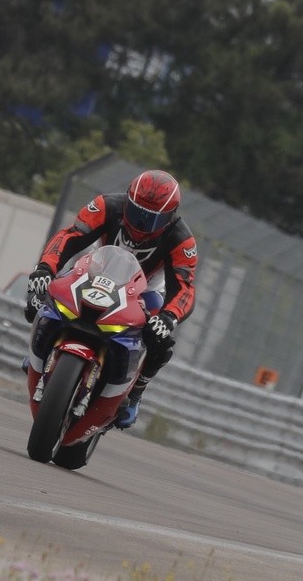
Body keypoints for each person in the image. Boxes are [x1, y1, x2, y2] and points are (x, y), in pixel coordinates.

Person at [23, 170, 198, 429]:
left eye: (152, 219)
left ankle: (135, 393)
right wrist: (44, 269)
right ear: (127, 200)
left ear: (170, 216)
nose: (141, 224)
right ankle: (41, 352)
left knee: (159, 340)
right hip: (95, 270)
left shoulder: (182, 240)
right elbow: (69, 236)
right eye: (136, 212)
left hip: (146, 290)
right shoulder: (106, 205)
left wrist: (168, 317)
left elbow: (185, 287)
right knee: (42, 297)